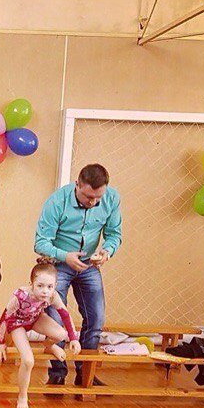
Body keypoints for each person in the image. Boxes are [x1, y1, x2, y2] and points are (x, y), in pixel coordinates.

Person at [33, 163, 121, 386]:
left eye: (98, 198)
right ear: (77, 185)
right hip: (59, 265)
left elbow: (114, 234)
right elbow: (40, 243)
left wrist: (106, 251)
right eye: (88, 196)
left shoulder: (111, 199)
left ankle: (85, 374)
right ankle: (57, 373)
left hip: (89, 265)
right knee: (55, 319)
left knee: (96, 318)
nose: (93, 202)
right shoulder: (56, 202)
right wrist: (65, 256)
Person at [0, 257, 80, 408]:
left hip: (35, 319)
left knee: (61, 334)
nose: (45, 291)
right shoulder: (20, 295)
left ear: (55, 286)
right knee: (28, 361)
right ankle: (22, 395)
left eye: (50, 286)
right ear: (31, 284)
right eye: (40, 286)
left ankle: (49, 346)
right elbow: (5, 317)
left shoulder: (52, 296)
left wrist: (73, 338)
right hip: (17, 324)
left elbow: (65, 315)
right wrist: (0, 342)